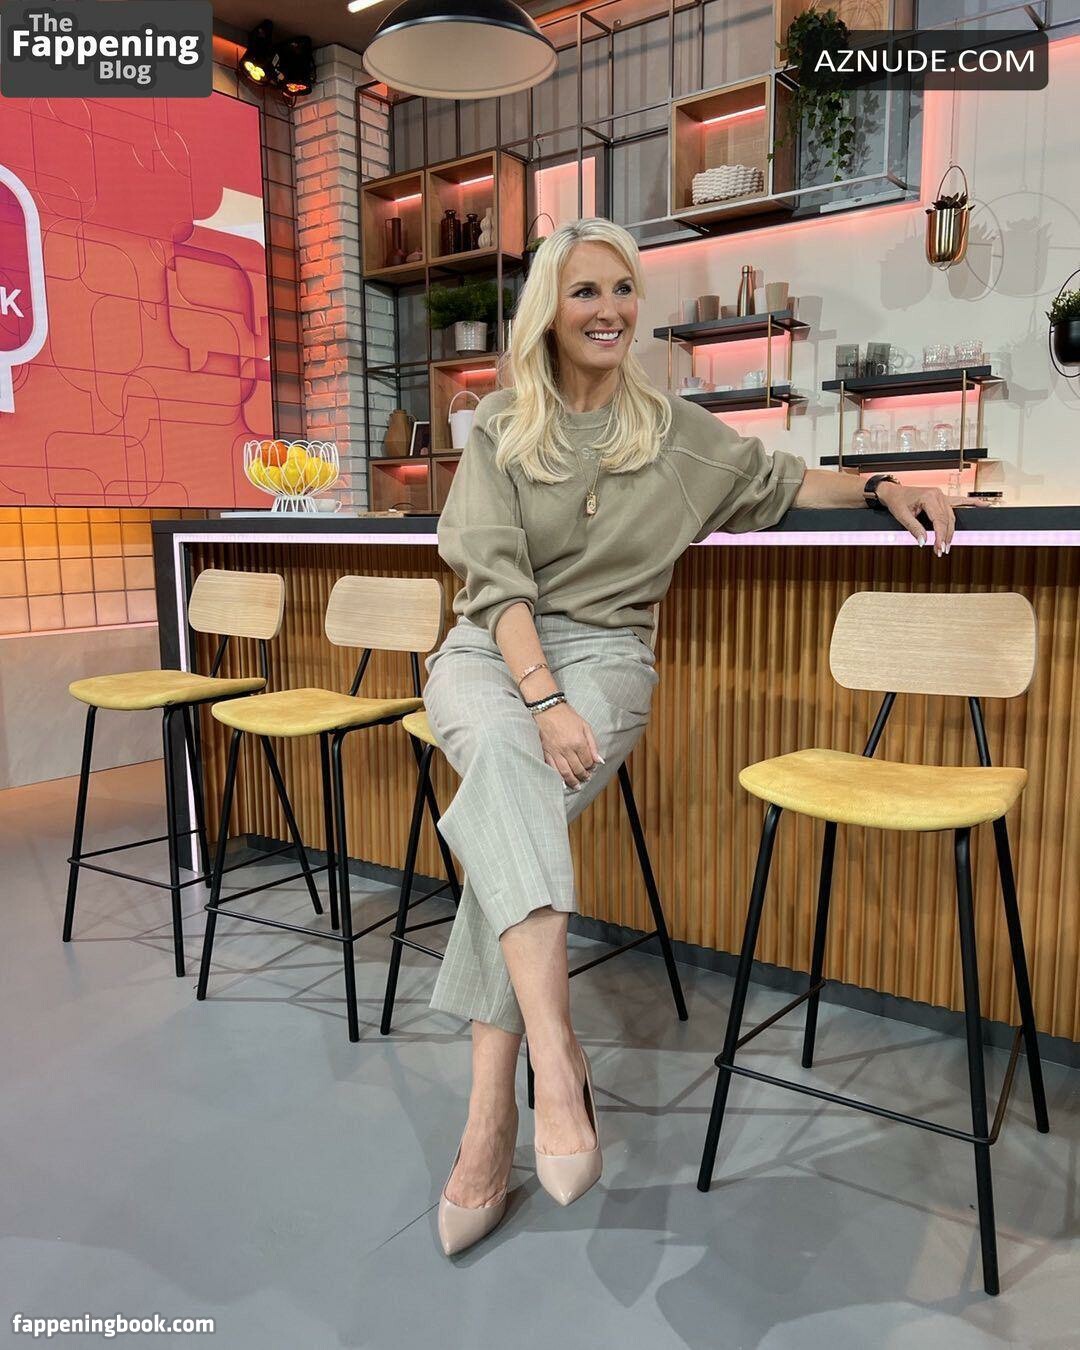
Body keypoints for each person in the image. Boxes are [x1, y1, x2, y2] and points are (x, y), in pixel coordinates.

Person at [419, 217, 955, 1256]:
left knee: (501, 802)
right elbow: (492, 582)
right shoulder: (500, 427)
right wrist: (542, 699)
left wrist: (887, 484)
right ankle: (555, 1059)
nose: (610, 309)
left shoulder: (673, 433)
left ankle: (491, 1117)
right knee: (507, 767)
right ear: (549, 310)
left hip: (607, 655)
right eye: (585, 291)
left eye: (623, 288)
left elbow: (787, 481)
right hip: (492, 650)